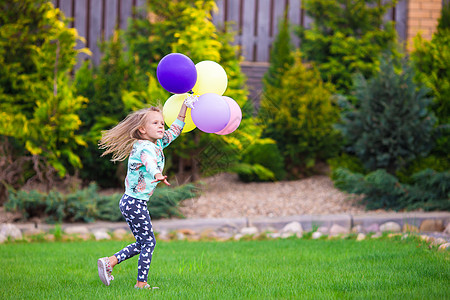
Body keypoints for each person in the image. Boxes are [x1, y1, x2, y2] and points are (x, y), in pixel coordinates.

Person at [97, 103, 187, 289]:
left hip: (132, 202)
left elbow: (176, 130)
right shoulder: (144, 148)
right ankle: (140, 283)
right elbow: (150, 162)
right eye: (155, 123)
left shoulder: (157, 143)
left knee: (144, 242)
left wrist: (185, 107)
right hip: (134, 203)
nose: (162, 126)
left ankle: (110, 262)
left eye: (162, 122)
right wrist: (156, 174)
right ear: (142, 129)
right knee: (149, 242)